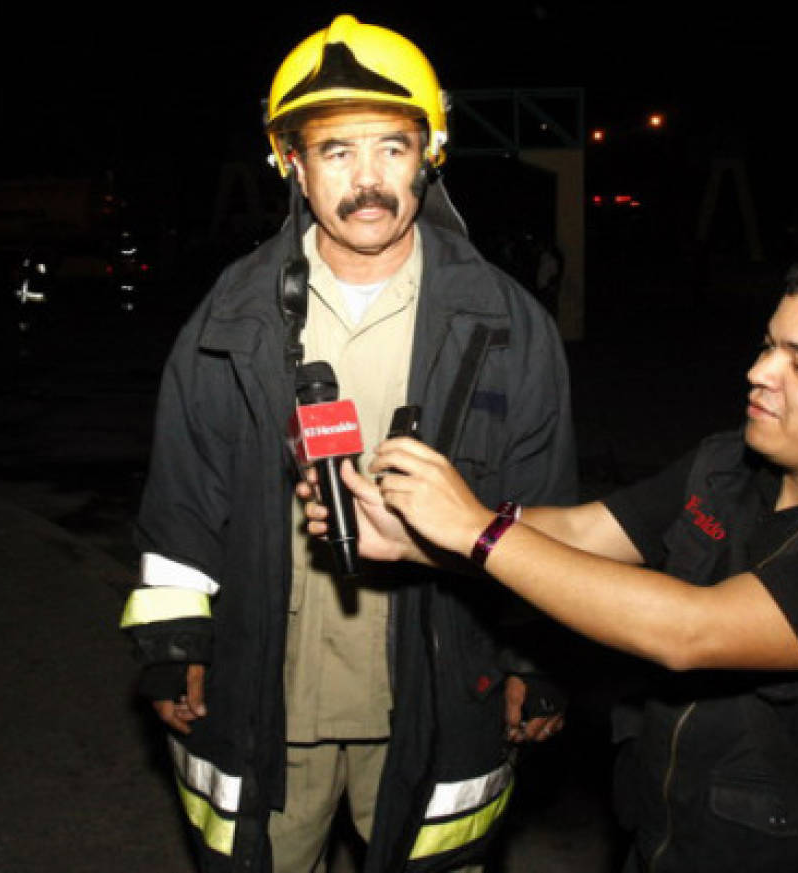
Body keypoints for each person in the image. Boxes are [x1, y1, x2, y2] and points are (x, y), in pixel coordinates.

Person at [308, 242, 798, 872]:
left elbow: (691, 631)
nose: (759, 371)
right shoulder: (728, 462)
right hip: (669, 840)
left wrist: (476, 532)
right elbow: (582, 533)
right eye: (768, 345)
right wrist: (418, 539)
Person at [119, 14, 576, 873]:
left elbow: (541, 507)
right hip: (269, 692)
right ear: (290, 162)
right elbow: (184, 498)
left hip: (439, 690)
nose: (367, 181)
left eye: (391, 148)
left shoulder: (507, 324)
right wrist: (175, 641)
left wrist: (535, 655)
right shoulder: (230, 319)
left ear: (430, 153)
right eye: (335, 152)